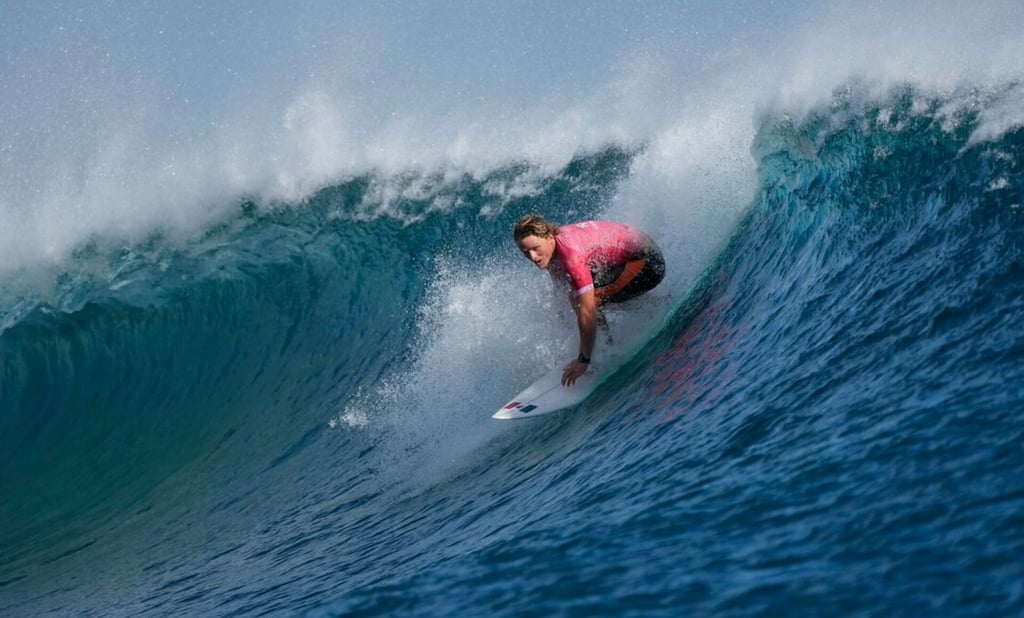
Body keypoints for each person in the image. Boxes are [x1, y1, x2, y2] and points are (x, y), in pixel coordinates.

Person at [513, 214, 665, 386]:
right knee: (577, 296)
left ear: (548, 236)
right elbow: (560, 296)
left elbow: (586, 312)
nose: (533, 257)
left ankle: (606, 352)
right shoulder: (552, 250)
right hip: (630, 258)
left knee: (582, 300)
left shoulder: (570, 254)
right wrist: (563, 345)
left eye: (535, 248)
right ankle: (657, 304)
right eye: (526, 253)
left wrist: (583, 360)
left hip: (648, 264)